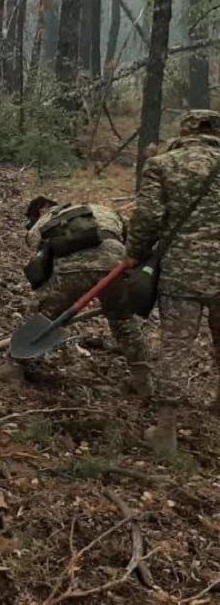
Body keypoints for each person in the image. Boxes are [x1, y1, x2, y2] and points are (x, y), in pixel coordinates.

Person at [127, 109, 220, 410]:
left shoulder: (162, 165)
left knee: (176, 347)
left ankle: (166, 428)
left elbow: (148, 218)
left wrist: (135, 254)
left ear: (184, 132)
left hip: (182, 270)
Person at [19, 196, 150, 394]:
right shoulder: (101, 209)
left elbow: (41, 266)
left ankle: (15, 365)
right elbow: (133, 237)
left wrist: (49, 297)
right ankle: (142, 379)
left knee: (42, 314)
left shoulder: (41, 223)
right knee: (123, 320)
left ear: (39, 211)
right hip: (116, 264)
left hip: (73, 269)